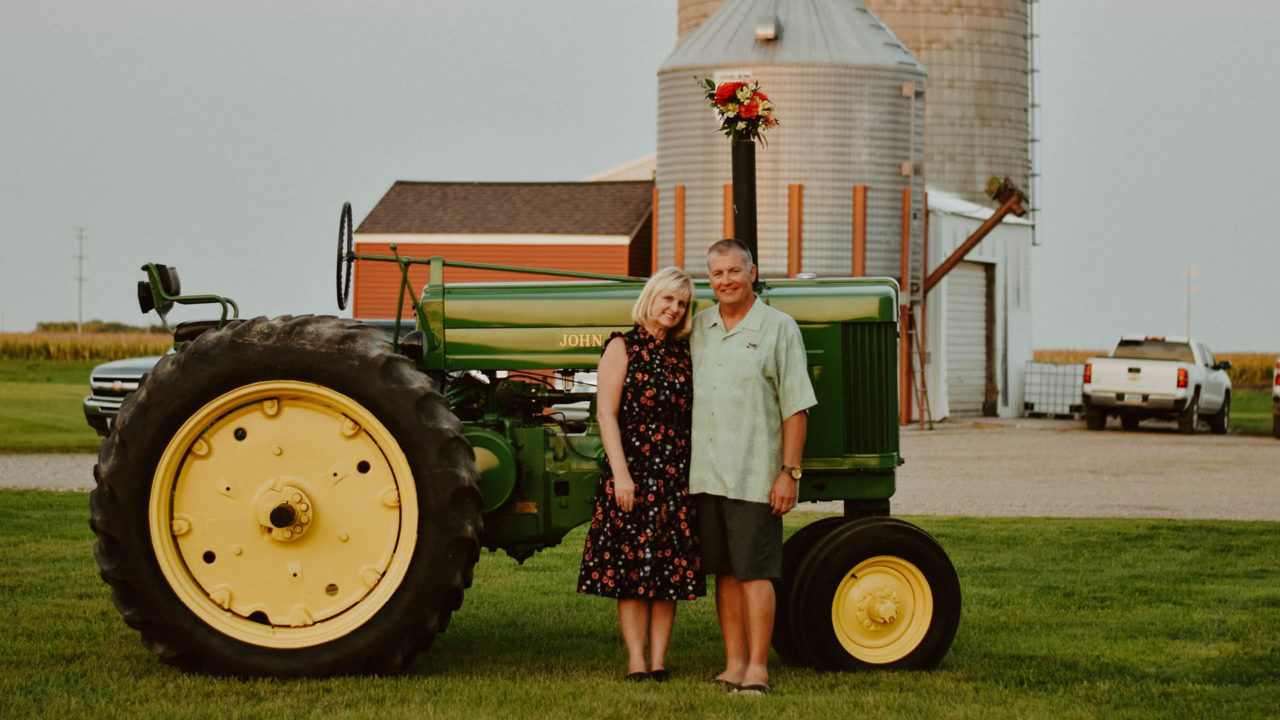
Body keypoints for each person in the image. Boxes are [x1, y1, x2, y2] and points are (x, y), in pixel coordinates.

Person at [689, 238, 816, 695]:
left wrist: (789, 472)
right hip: (705, 473)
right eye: (717, 274)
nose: (725, 281)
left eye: (733, 271)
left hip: (754, 473)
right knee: (725, 571)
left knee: (754, 572)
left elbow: (796, 407)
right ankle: (733, 663)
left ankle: (758, 668)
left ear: (752, 272)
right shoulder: (699, 327)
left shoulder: (779, 327)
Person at [578, 266, 705, 682]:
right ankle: (636, 661)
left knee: (668, 573)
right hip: (633, 472)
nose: (673, 308)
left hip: (673, 475)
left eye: (682, 303)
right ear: (651, 297)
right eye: (668, 298)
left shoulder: (683, 352)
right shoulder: (623, 347)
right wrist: (622, 475)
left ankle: (659, 661)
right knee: (631, 574)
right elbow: (606, 414)